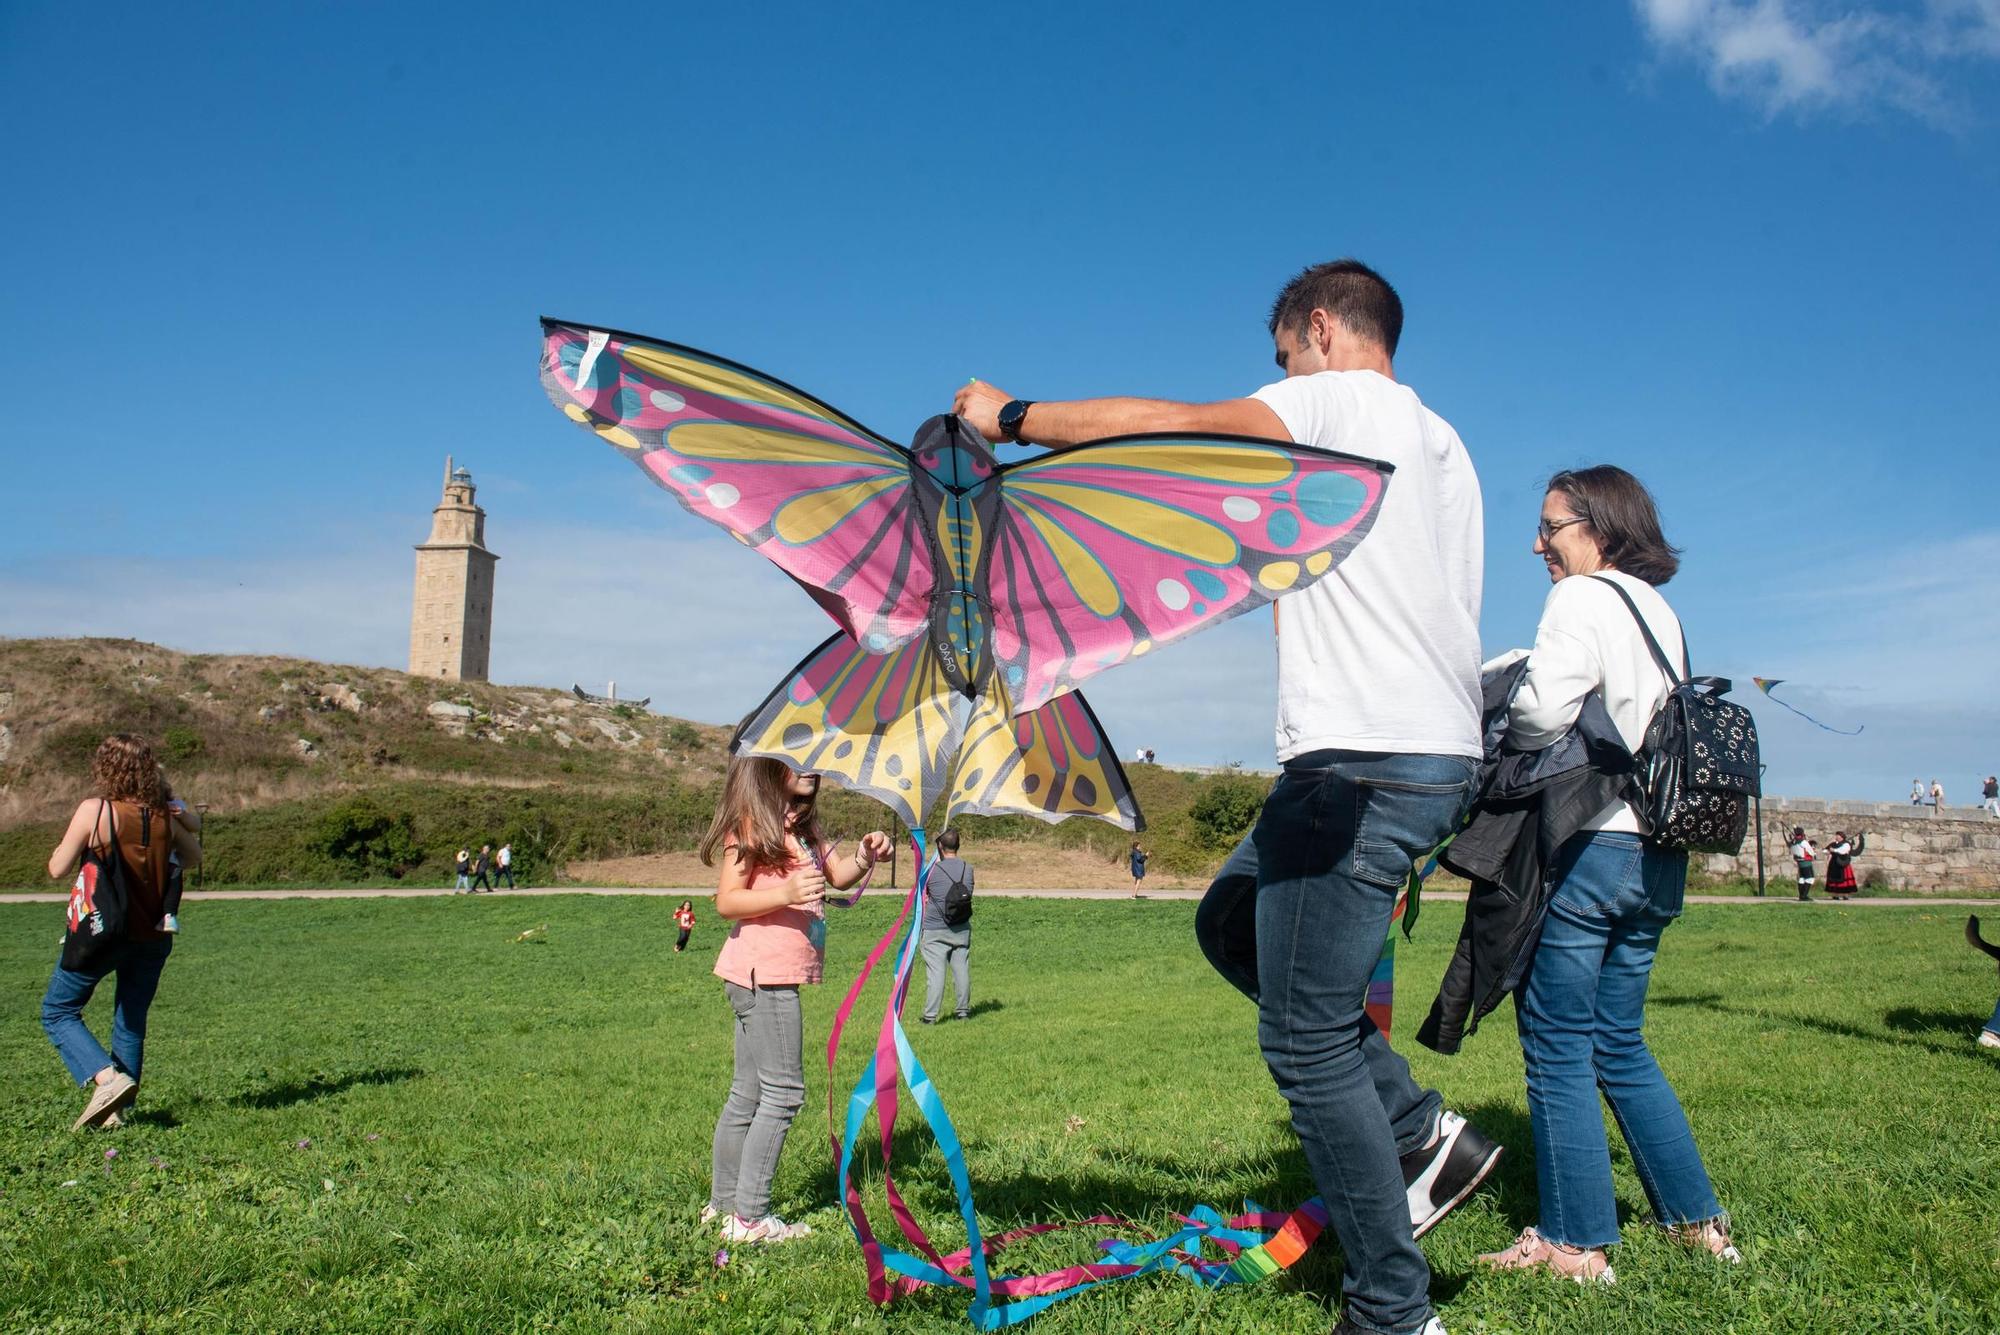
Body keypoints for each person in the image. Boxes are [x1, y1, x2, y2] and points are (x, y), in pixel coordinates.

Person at [955, 260, 1495, 1335]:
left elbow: (1172, 432)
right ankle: (1420, 1129)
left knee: (1303, 1042)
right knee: (1228, 920)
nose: (1277, 378)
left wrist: (1010, 417)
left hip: (1356, 762)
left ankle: (1392, 1309)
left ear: (1321, 328)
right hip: (1420, 756)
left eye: (1280, 356)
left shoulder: (1337, 398)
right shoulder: (1444, 447)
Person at [1474, 466, 1739, 1285]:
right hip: (1660, 852)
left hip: (1593, 844)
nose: (1538, 543)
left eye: (1550, 526)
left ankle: (1575, 1241)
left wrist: (1506, 692)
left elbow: (1544, 711)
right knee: (1618, 1040)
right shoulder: (1659, 610)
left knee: (1554, 1040)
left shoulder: (1582, 599)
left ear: (1595, 526)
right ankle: (1698, 1223)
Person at [698, 757, 890, 1245]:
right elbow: (726, 901)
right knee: (783, 1094)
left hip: (761, 975)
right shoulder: (752, 824)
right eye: (795, 759)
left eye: (814, 761)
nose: (811, 768)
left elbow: (838, 875)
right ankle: (750, 1218)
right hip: (765, 977)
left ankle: (723, 1209)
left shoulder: (802, 828)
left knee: (748, 1093)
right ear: (765, 767)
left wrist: (866, 855)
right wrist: (785, 891)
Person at [40, 734, 202, 1131]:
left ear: (106, 767)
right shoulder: (163, 815)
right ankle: (116, 1114)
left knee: (58, 1010)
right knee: (129, 1020)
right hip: (152, 935)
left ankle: (108, 1079)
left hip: (104, 933)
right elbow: (194, 857)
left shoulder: (96, 811)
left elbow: (58, 868)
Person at [920, 829, 975, 1024]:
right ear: (957, 845)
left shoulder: (932, 871)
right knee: (961, 970)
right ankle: (963, 1012)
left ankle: (930, 1016)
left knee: (936, 973)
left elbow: (924, 893)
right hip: (961, 928)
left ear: (940, 847)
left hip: (935, 930)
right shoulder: (968, 868)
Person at [1823, 831, 1864, 900]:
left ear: (1841, 836)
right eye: (1836, 835)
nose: (1836, 837)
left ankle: (1845, 895)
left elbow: (1843, 851)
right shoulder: (1833, 844)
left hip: (1843, 863)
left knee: (1844, 879)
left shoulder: (1846, 844)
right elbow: (1825, 850)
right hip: (1834, 863)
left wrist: (1834, 850)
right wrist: (1828, 851)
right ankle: (1835, 895)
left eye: (1838, 835)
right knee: (1834, 879)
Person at [1789, 827, 1816, 903]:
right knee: (1809, 878)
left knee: (1802, 878)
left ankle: (1801, 895)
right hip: (1806, 862)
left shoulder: (1793, 842)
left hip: (1799, 862)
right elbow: (1810, 851)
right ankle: (1804, 896)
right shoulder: (1803, 842)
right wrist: (1814, 854)